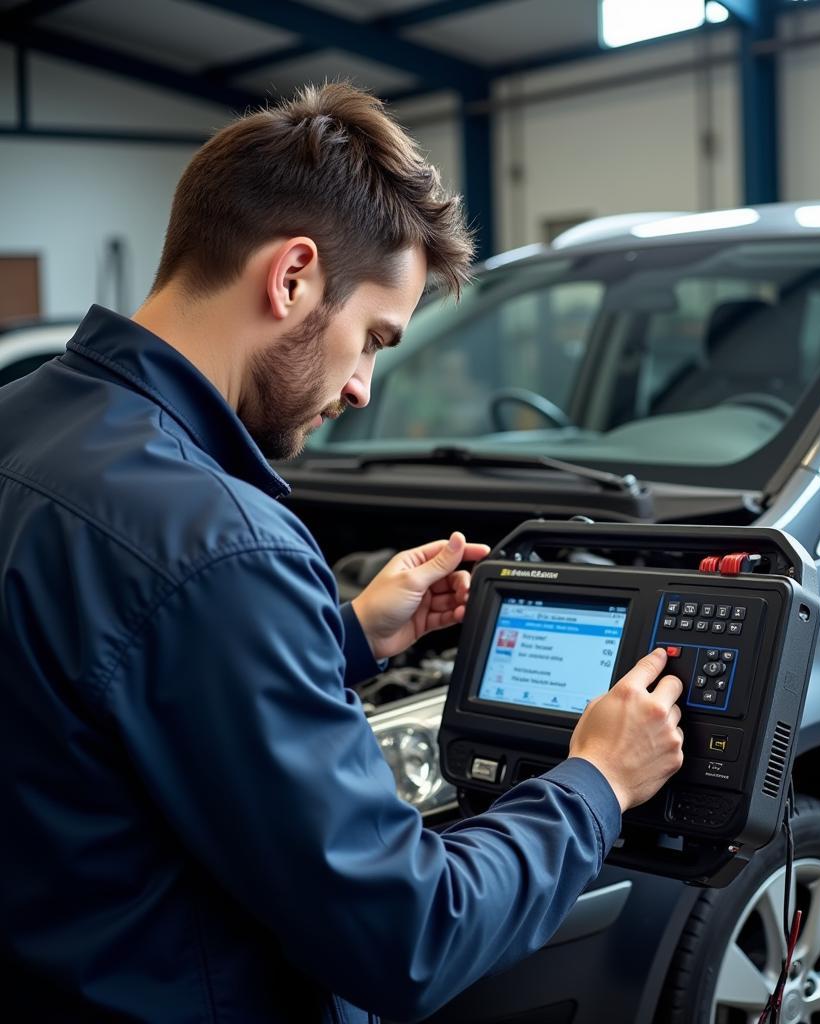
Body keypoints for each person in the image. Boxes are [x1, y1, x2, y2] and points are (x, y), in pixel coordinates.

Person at [0, 83, 685, 1024]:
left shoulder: (24, 423)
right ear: (293, 277)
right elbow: (411, 937)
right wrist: (598, 783)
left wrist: (343, 634)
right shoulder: (221, 543)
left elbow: (107, 689)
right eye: (372, 338)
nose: (363, 387)